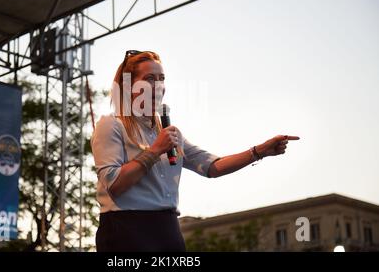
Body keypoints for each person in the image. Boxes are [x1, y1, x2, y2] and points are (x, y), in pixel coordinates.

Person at [91, 50, 300, 252]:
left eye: (161, 79)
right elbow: (115, 185)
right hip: (126, 228)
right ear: (128, 87)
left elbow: (212, 166)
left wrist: (258, 151)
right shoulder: (111, 125)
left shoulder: (169, 133)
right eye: (149, 79)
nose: (157, 86)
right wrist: (155, 150)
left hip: (167, 228)